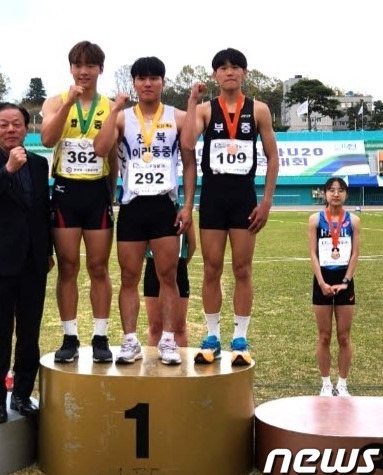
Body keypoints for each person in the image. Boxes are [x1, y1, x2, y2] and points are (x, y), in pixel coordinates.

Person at [94, 56, 196, 365]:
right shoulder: (124, 117)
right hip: (132, 206)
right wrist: (113, 109)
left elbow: (190, 153)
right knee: (129, 277)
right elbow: (100, 149)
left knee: (168, 275)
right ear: (134, 82)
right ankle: (129, 341)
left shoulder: (177, 116)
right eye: (141, 78)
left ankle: (167, 340)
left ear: (163, 82)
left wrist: (188, 206)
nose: (147, 83)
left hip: (165, 205)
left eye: (154, 78)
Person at [182, 48, 279, 365]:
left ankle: (240, 338)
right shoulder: (207, 111)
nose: (229, 72)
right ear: (215, 75)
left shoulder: (260, 110)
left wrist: (266, 201)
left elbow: (273, 157)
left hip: (244, 199)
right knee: (211, 268)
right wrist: (193, 101)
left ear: (244, 73)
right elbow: (186, 144)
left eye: (235, 67)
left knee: (242, 269)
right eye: (222, 68)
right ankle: (212, 336)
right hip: (213, 197)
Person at [0, 103, 54, 424]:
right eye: (3, 124)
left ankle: (21, 394)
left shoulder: (38, 164)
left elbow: (41, 211)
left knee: (29, 333)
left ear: (27, 128)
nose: (10, 130)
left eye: (17, 124)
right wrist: (8, 170)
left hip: (33, 261)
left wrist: (47, 250)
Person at [41, 41, 118, 364]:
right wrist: (68, 104)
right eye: (77, 65)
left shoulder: (110, 106)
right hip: (65, 193)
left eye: (90, 65)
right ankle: (69, 337)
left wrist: (110, 195)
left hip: (96, 193)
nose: (83, 71)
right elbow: (47, 139)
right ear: (70, 68)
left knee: (98, 267)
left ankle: (100, 336)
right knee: (68, 267)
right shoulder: (55, 101)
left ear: (100, 68)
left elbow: (112, 156)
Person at [308, 177, 361, 397]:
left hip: (345, 282)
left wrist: (346, 281)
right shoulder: (315, 220)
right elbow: (312, 253)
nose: (336, 194)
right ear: (325, 194)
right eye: (331, 190)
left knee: (344, 336)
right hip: (321, 281)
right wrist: (321, 282)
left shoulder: (354, 221)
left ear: (346, 194)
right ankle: (326, 384)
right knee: (324, 335)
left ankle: (342, 384)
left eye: (340, 190)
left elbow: (356, 253)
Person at [144, 223, 196, 348]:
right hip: (153, 266)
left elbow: (192, 245)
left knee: (179, 326)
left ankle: (182, 366)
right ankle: (152, 366)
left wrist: (180, 263)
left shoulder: (182, 210)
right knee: (155, 326)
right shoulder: (149, 208)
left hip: (178, 266)